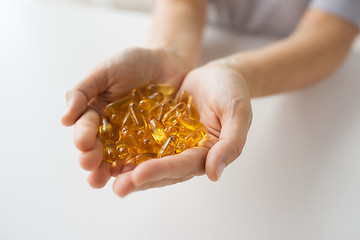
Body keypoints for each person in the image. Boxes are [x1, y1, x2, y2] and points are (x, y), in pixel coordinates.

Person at [61, 0, 360, 197]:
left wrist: (237, 73)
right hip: (211, 35)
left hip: (299, 73)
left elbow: (330, 32)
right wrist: (171, 53)